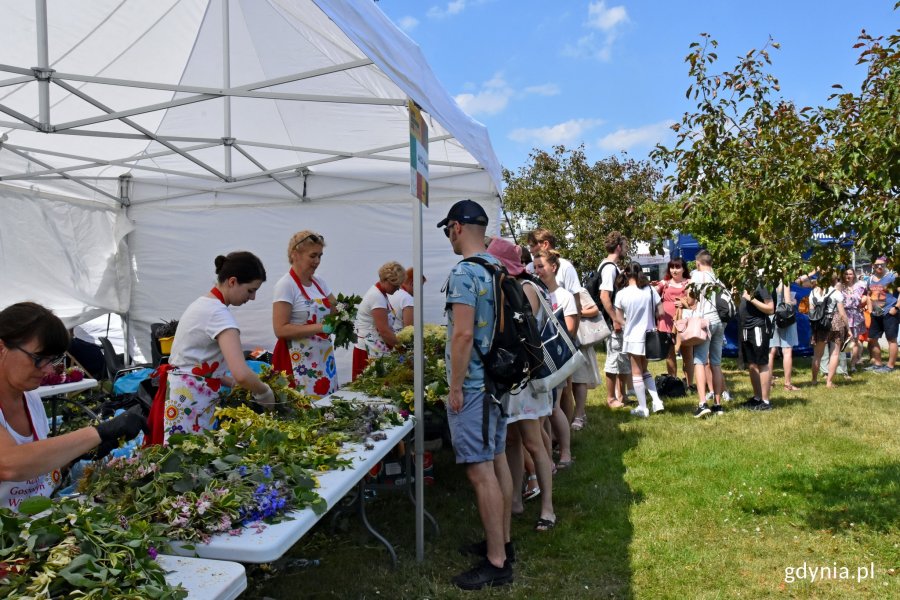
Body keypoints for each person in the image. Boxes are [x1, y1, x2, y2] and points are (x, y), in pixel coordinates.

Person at [1, 302, 146, 510]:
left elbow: (37, 467)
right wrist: (99, 432)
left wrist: (80, 453)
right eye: (39, 358)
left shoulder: (30, 398)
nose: (49, 369)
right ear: (1, 349)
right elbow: (9, 464)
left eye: (53, 359)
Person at [438, 200, 513, 590]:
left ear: (455, 228)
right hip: (497, 385)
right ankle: (502, 543)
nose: (448, 237)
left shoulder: (465, 273)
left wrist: (454, 386)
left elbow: (463, 334)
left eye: (447, 230)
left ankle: (497, 563)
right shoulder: (497, 267)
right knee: (496, 460)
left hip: (474, 387)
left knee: (479, 471)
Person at [146, 252, 275, 445]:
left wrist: (231, 384)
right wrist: (264, 392)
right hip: (192, 402)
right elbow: (241, 372)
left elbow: (198, 363)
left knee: (183, 457)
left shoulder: (203, 305)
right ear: (232, 281)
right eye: (250, 290)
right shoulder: (218, 315)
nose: (253, 297)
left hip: (183, 397)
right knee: (190, 458)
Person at [485, 237, 556, 533]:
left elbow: (518, 333)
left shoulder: (524, 288)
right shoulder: (516, 286)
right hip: (515, 378)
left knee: (533, 442)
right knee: (513, 440)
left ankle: (547, 508)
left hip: (526, 377)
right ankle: (515, 499)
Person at [271, 231, 339, 398]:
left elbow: (336, 308)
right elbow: (280, 329)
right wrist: (320, 327)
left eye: (320, 256)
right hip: (296, 361)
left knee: (326, 405)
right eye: (313, 256)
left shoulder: (319, 282)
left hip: (322, 358)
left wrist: (345, 314)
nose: (317, 261)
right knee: (304, 409)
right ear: (295, 254)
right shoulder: (286, 285)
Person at [533, 250, 577, 469]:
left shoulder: (565, 296)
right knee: (543, 411)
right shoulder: (534, 291)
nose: (537, 271)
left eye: (541, 266)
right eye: (535, 267)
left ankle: (566, 452)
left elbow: (569, 330)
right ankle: (548, 456)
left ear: (554, 268)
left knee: (553, 407)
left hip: (555, 358)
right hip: (538, 361)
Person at [614, 262, 665, 418]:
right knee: (644, 370)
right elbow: (661, 313)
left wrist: (628, 323)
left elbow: (618, 318)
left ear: (626, 274)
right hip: (650, 335)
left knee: (636, 372)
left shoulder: (622, 294)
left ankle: (643, 407)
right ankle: (656, 401)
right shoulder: (650, 290)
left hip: (633, 336)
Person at [686, 250, 727, 417]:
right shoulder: (718, 279)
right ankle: (718, 404)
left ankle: (703, 403)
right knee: (716, 363)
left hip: (705, 322)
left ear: (698, 263)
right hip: (719, 322)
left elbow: (690, 301)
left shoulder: (697, 276)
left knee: (700, 361)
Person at [351, 261, 406, 380]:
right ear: (386, 280)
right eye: (396, 285)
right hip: (368, 351)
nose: (398, 289)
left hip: (373, 348)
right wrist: (402, 347)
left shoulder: (380, 294)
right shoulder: (377, 297)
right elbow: (384, 331)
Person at [598, 232, 630, 409]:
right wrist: (615, 320)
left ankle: (621, 395)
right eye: (624, 246)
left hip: (616, 321)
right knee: (613, 358)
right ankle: (611, 398)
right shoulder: (609, 267)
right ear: (618, 247)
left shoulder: (610, 266)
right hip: (613, 323)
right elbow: (604, 296)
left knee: (622, 357)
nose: (625, 249)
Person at [738, 270, 775, 410]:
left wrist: (750, 298)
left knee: (761, 363)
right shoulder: (743, 282)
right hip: (746, 327)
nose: (741, 266)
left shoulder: (761, 283)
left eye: (744, 264)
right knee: (752, 364)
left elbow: (771, 309)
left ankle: (765, 402)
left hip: (758, 327)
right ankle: (757, 398)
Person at [655, 258, 693, 389]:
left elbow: (695, 301)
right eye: (672, 267)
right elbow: (653, 292)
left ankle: (689, 384)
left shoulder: (689, 283)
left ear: (684, 269)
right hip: (666, 323)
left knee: (687, 354)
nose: (674, 270)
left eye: (677, 267)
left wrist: (683, 302)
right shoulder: (664, 283)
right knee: (669, 354)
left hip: (684, 323)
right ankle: (673, 383)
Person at [571, 287, 603, 430]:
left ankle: (579, 415)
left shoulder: (579, 290)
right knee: (571, 382)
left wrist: (576, 313)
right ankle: (579, 412)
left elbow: (595, 310)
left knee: (579, 379)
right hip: (567, 340)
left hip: (580, 340)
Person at [810, 272, 849, 388]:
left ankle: (814, 380)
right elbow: (842, 314)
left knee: (817, 354)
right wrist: (848, 328)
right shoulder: (836, 293)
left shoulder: (812, 293)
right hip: (835, 322)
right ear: (833, 281)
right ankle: (829, 382)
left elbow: (812, 311)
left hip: (820, 324)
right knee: (835, 353)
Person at [862, 257, 897, 373]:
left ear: (886, 264)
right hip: (875, 313)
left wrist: (896, 308)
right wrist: (870, 310)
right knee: (872, 338)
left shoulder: (892, 277)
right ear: (873, 266)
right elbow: (868, 295)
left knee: (891, 339)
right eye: (877, 265)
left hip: (889, 313)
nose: (879, 267)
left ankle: (890, 366)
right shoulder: (870, 280)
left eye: (882, 264)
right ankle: (878, 364)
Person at [768, 280, 799, 392]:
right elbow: (787, 302)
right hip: (784, 318)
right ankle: (787, 384)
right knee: (787, 351)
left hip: (771, 317)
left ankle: (768, 383)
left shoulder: (767, 279)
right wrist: (793, 301)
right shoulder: (784, 280)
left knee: (771, 352)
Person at [840, 267, 867, 372]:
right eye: (846, 274)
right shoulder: (840, 287)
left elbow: (866, 296)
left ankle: (853, 365)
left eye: (850, 274)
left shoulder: (860, 285)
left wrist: (863, 302)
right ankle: (841, 366)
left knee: (855, 341)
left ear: (854, 275)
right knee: (842, 341)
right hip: (843, 314)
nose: (848, 276)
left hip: (856, 315)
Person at [388, 268, 424, 332]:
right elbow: (409, 329)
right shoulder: (407, 299)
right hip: (399, 338)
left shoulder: (389, 293)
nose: (421, 291)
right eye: (421, 286)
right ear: (412, 282)